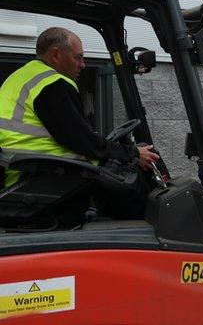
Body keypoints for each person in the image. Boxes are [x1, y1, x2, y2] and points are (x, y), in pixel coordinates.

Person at [0, 27, 159, 218]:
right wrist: (132, 153)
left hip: (30, 171)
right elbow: (82, 141)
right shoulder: (52, 84)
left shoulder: (21, 77)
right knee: (133, 194)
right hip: (47, 177)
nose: (83, 65)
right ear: (56, 55)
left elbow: (75, 136)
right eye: (78, 57)